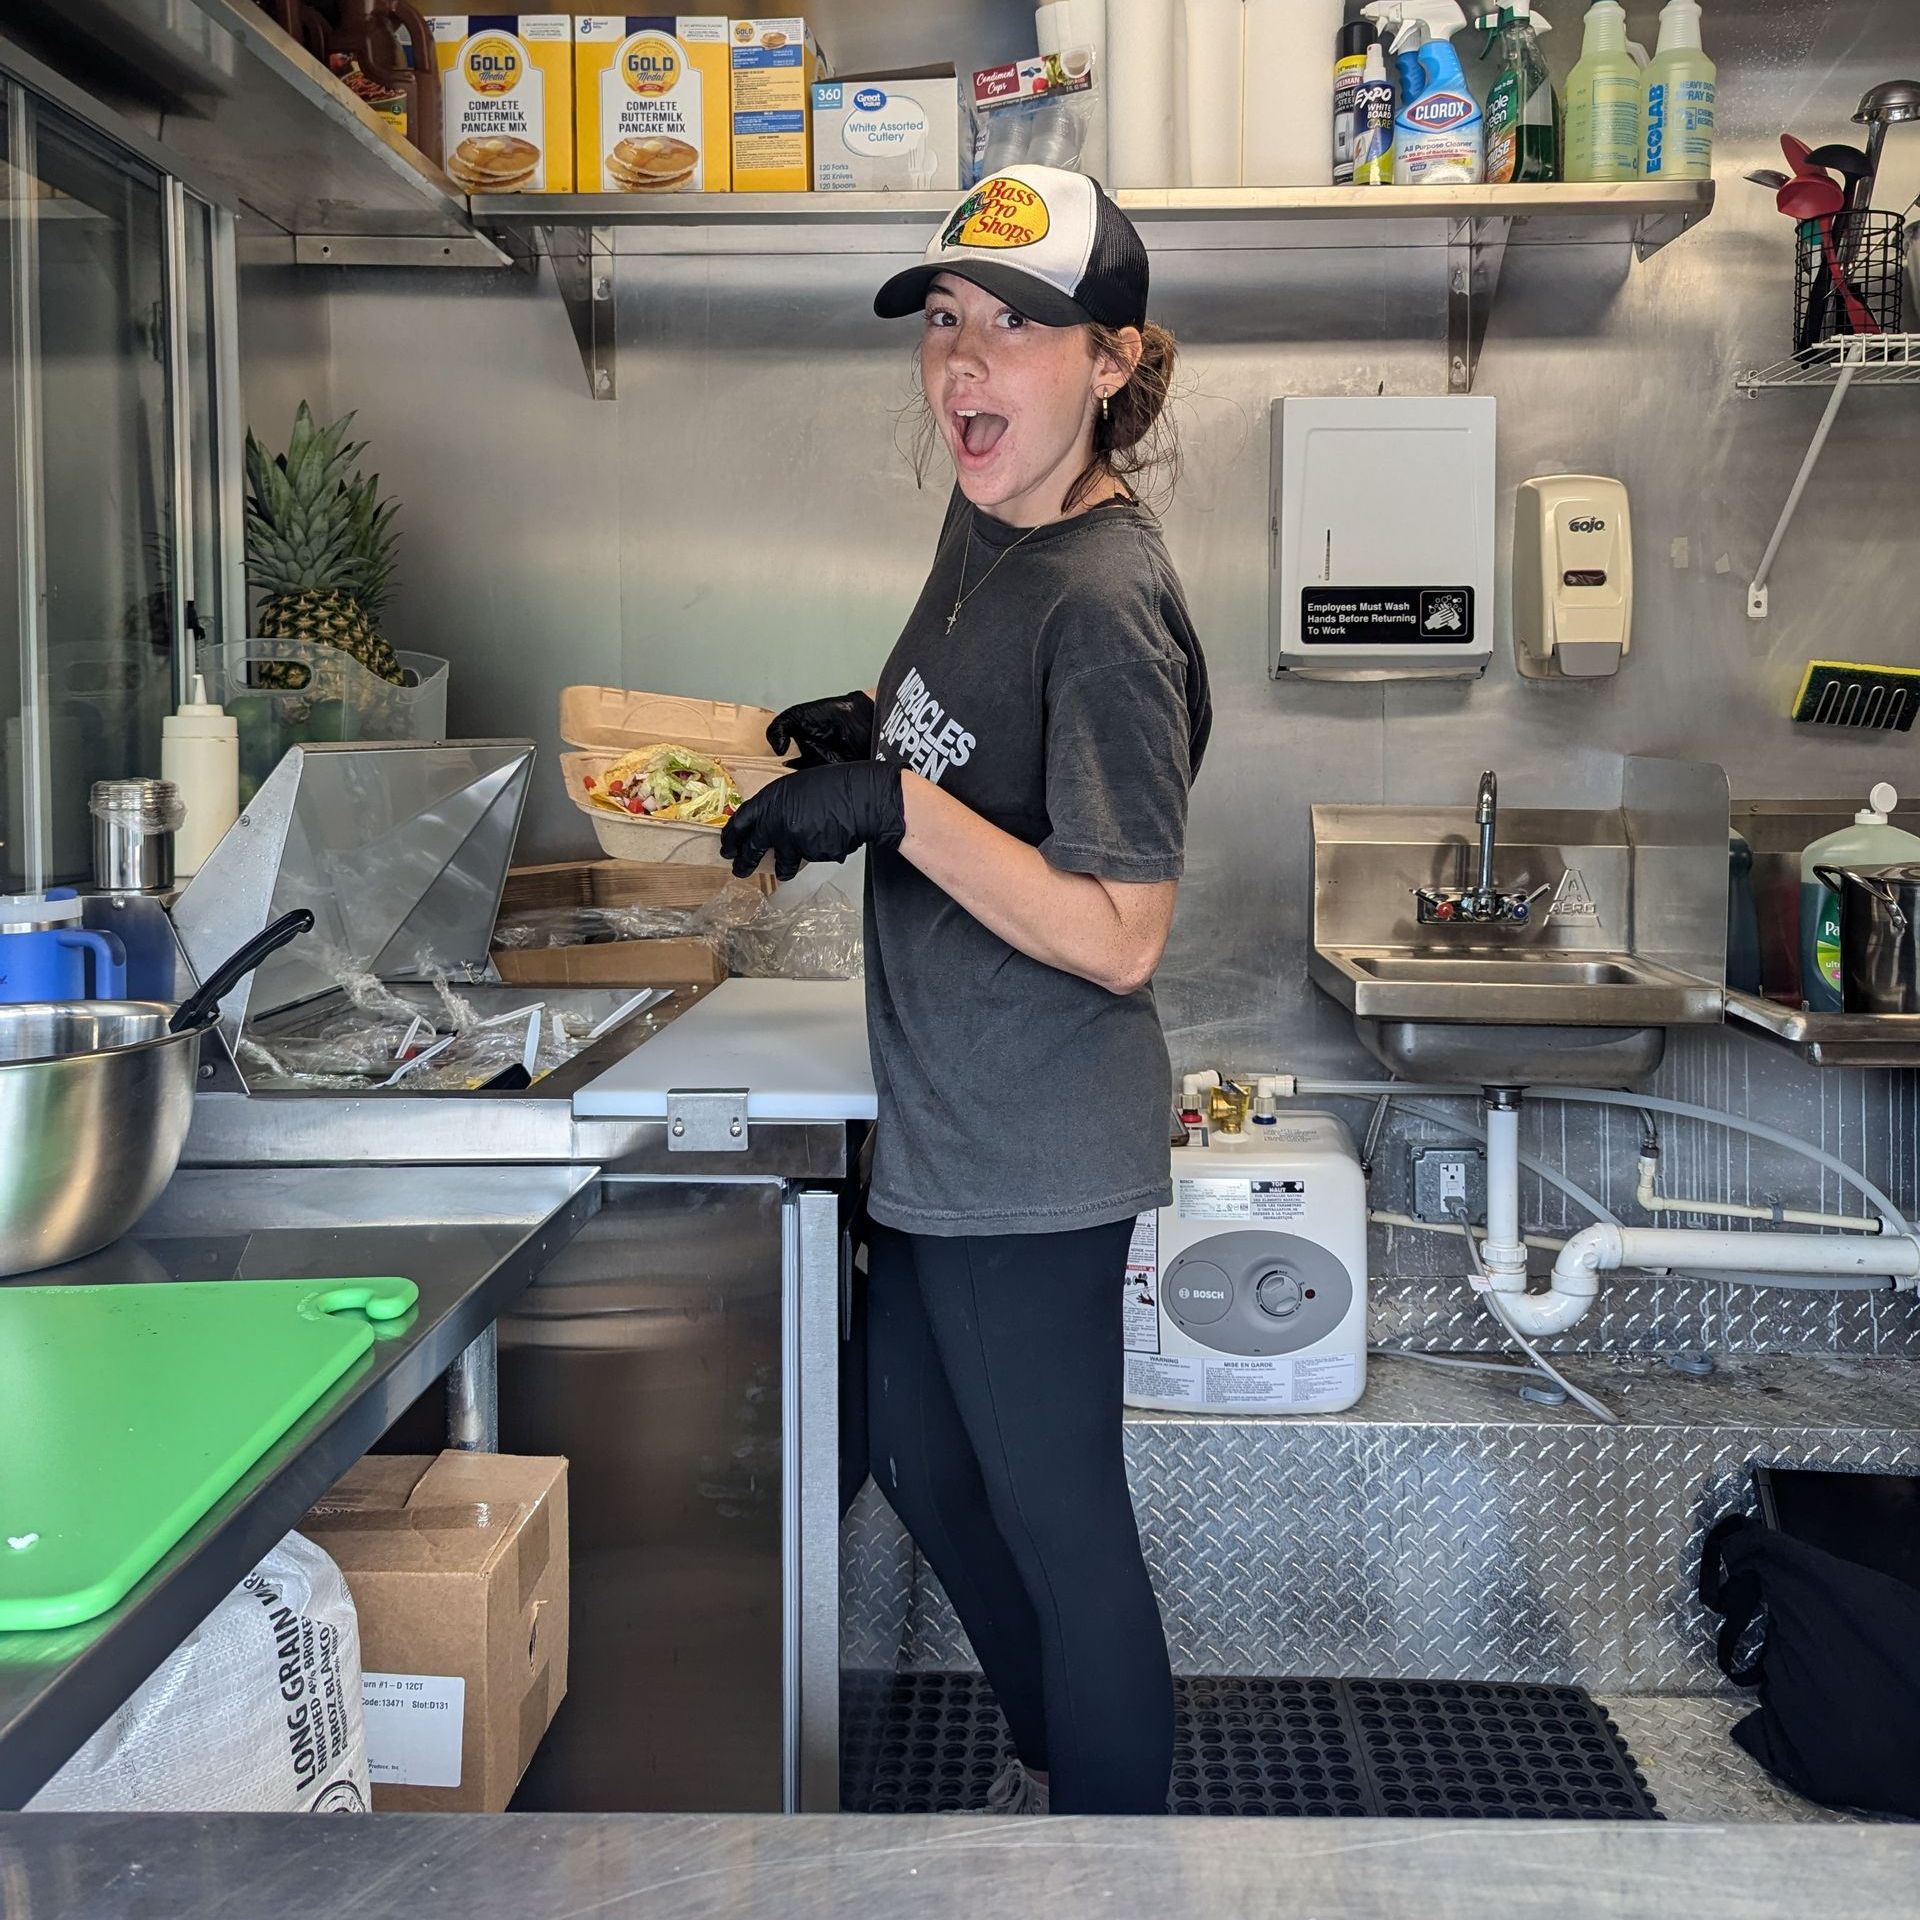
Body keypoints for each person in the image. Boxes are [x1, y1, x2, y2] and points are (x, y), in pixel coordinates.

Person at [721, 166, 1210, 1818]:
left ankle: (1108, 1852)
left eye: (1019, 328)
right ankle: (1058, 1772)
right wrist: (873, 732)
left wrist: (896, 809)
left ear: (1116, 363)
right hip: (941, 1112)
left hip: (1031, 1135)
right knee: (927, 1467)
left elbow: (1125, 929)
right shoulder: (986, 521)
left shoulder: (1109, 603)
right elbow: (963, 739)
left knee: (1064, 1529)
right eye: (945, 322)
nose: (965, 366)